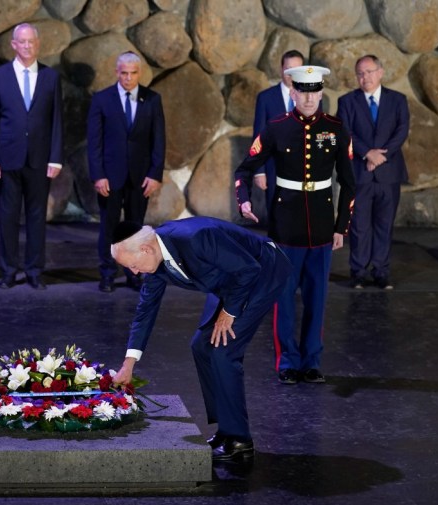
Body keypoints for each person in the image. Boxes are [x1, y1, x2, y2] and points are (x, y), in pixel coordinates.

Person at [110, 218, 292, 462]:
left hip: (262, 272)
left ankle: (239, 440)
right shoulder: (154, 259)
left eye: (132, 266)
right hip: (227, 279)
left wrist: (230, 312)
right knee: (201, 346)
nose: (134, 272)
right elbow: (145, 311)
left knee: (223, 351)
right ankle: (226, 430)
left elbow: (249, 269)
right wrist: (128, 364)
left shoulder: (196, 238)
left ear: (145, 249)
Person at [234, 65, 356, 385]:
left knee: (317, 299)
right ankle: (287, 361)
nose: (309, 97)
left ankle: (311, 361)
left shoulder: (336, 128)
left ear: (321, 93)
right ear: (292, 92)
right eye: (302, 91)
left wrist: (341, 226)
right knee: (284, 298)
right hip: (285, 226)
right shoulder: (276, 128)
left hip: (320, 226)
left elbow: (350, 182)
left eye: (314, 91)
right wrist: (243, 200)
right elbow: (244, 169)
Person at [0, 23, 63, 290]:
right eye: (22, 41)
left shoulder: (51, 77)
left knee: (37, 217)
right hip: (7, 159)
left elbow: (56, 121)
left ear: (38, 44)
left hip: (40, 160)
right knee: (8, 217)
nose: (27, 46)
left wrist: (55, 158)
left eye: (31, 41)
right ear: (14, 45)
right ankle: (8, 271)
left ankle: (34, 270)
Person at [87, 51, 165, 293]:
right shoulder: (102, 99)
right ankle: (108, 273)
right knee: (109, 227)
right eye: (124, 73)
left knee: (135, 229)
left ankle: (134, 274)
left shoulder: (152, 99)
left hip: (140, 178)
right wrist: (98, 175)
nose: (128, 78)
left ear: (139, 73)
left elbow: (158, 140)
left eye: (133, 73)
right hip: (110, 177)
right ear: (116, 72)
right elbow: (94, 142)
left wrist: (155, 174)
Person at [337, 55, 409, 290]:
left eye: (368, 72)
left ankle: (381, 271)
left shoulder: (398, 100)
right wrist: (368, 153)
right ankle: (357, 272)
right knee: (358, 226)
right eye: (359, 73)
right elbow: (344, 132)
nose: (364, 77)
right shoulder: (347, 101)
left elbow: (401, 130)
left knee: (384, 224)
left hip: (388, 174)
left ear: (380, 72)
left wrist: (381, 156)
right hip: (360, 173)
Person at [251, 50, 305, 218]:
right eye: (288, 68)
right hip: (274, 168)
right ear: (281, 69)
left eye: (296, 69)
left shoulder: (312, 98)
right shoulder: (266, 98)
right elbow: (258, 136)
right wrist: (259, 171)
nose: (291, 74)